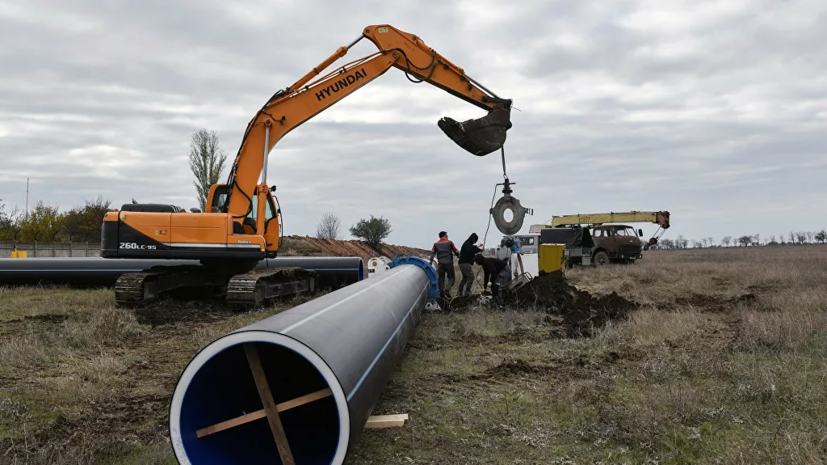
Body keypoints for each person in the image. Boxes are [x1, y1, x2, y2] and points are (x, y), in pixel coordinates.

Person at [429, 231, 459, 298]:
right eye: (447, 235)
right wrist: (459, 256)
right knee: (451, 278)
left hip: (441, 263)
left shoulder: (436, 244)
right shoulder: (450, 242)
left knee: (441, 278)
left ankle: (441, 293)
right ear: (444, 235)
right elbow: (456, 251)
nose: (447, 236)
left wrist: (430, 262)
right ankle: (447, 290)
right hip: (449, 263)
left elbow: (432, 253)